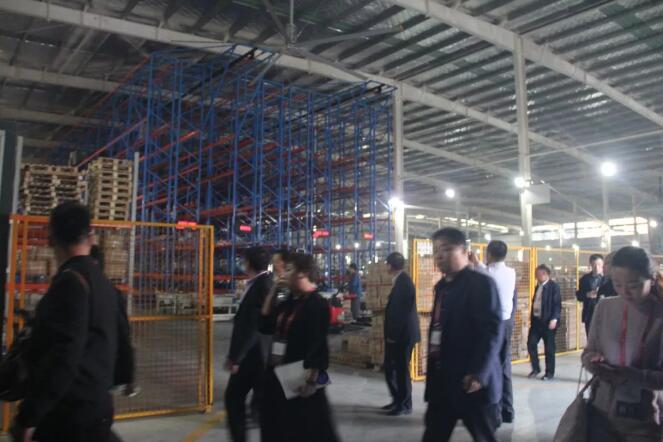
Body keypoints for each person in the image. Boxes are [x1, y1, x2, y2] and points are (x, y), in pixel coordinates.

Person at [10, 202, 119, 442]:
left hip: (69, 415)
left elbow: (64, 358)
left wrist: (29, 416)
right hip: (98, 405)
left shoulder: (70, 283)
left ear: (52, 238)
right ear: (90, 236)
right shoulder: (103, 283)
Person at [423, 228, 503, 442]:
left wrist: (479, 373)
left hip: (470, 382)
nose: (439, 255)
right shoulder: (441, 287)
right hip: (442, 381)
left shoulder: (481, 284)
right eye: (436, 250)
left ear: (465, 252)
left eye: (447, 249)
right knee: (433, 435)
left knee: (483, 436)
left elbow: (492, 332)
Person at [582, 246, 663, 442]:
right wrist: (593, 361)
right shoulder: (605, 307)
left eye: (633, 285)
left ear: (652, 279)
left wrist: (631, 375)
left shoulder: (659, 315)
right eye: (617, 284)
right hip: (601, 413)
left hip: (644, 418)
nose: (624, 292)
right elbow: (588, 353)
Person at [259, 253, 340, 442]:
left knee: (307, 429)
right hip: (278, 373)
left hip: (299, 376)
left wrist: (311, 381)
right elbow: (264, 324)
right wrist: (273, 291)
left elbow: (318, 345)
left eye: (288, 270)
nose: (283, 274)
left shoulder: (317, 304)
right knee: (275, 426)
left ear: (302, 273)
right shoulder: (289, 302)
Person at [225, 246, 272, 442]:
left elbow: (252, 326)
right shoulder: (261, 283)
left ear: (249, 263)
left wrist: (236, 357)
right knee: (260, 403)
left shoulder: (261, 286)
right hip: (258, 354)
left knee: (233, 398)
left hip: (253, 355)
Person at [470, 240, 517, 424]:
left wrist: (475, 262)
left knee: (490, 366)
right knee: (504, 366)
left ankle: (494, 413)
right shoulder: (511, 272)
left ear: (489, 253)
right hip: (507, 323)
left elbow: (485, 274)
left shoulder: (489, 273)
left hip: (492, 325)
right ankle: (508, 410)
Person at [382, 252, 420, 416]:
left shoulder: (404, 283)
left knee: (401, 370)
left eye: (387, 264)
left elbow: (400, 314)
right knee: (391, 368)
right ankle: (398, 400)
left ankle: (404, 404)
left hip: (402, 336)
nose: (386, 266)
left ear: (391, 265)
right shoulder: (400, 281)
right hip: (399, 334)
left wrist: (392, 335)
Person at [527, 264, 561, 381]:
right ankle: (536, 368)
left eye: (537, 274)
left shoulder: (554, 287)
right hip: (536, 322)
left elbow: (557, 304)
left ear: (545, 274)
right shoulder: (538, 286)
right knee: (531, 343)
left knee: (549, 348)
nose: (535, 276)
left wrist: (554, 319)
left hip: (548, 322)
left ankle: (549, 373)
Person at [576, 254, 606, 337]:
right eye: (594, 265)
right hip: (589, 314)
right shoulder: (584, 279)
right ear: (590, 265)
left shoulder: (608, 279)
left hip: (605, 314)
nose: (597, 267)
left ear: (603, 264)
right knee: (590, 338)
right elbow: (579, 296)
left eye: (599, 264)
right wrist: (587, 295)